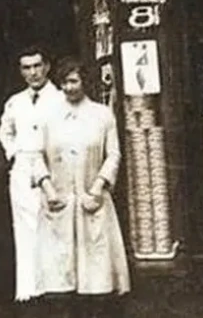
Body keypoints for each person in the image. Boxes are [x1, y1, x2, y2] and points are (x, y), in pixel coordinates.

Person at [33, 58, 130, 317]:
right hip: (59, 203)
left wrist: (98, 188)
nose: (68, 87)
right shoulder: (48, 116)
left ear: (84, 82)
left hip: (92, 200)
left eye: (74, 81)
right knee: (60, 274)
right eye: (64, 82)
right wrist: (49, 190)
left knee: (95, 274)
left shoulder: (102, 114)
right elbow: (35, 156)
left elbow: (113, 155)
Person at [0, 46, 64, 303]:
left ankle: (54, 287)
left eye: (37, 66)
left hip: (51, 167)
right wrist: (14, 153)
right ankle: (28, 288)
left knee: (53, 226)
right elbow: (6, 132)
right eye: (27, 68)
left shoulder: (59, 99)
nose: (33, 73)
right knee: (25, 227)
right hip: (23, 167)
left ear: (46, 66)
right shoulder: (15, 102)